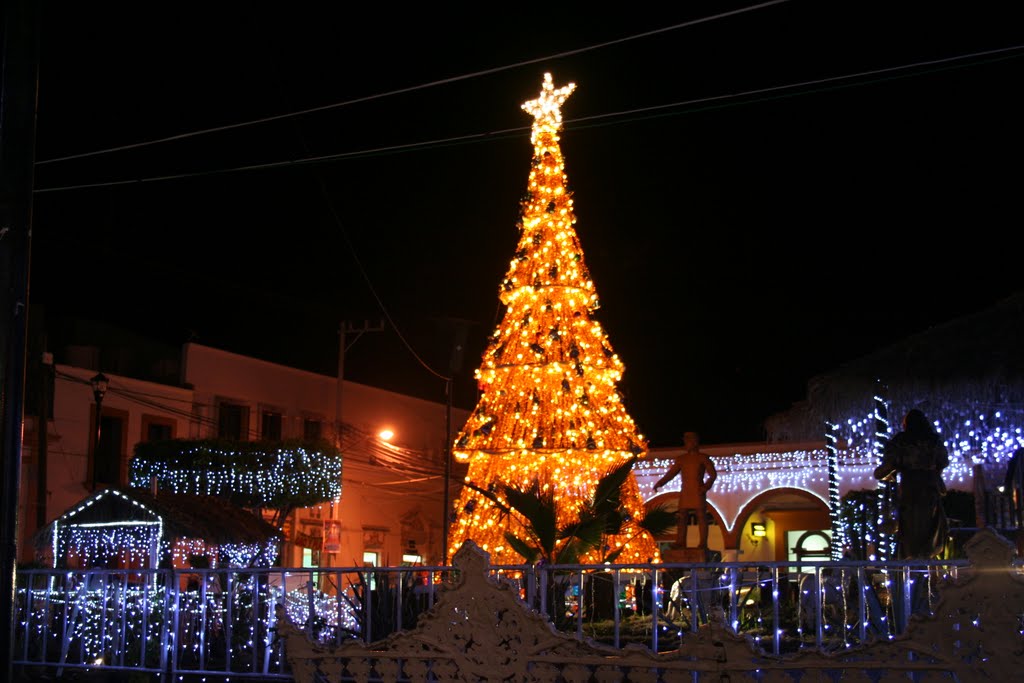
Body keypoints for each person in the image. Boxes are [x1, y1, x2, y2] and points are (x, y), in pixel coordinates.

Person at [873, 408, 949, 561]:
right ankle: (926, 555)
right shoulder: (934, 440)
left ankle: (912, 559)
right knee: (930, 526)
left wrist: (882, 473)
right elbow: (944, 461)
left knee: (910, 527)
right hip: (930, 487)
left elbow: (888, 465)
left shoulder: (901, 441)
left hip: (910, 487)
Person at [652, 431, 718, 549]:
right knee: (682, 517)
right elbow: (671, 474)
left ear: (695, 442)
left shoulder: (702, 458)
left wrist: (705, 487)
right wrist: (660, 483)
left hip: (698, 490)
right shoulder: (682, 459)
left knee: (701, 516)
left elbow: (713, 474)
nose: (686, 443)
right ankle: (680, 542)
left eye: (689, 440)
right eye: (685, 441)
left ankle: (703, 543)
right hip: (686, 490)